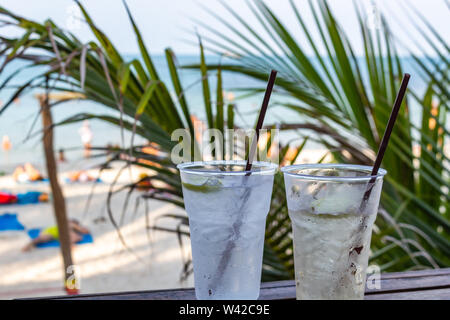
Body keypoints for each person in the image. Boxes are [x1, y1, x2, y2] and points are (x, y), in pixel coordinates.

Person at [22, 219, 90, 252]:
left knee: (72, 235)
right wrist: (82, 229)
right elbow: (83, 231)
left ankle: (31, 243)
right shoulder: (71, 224)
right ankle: (29, 244)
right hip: (52, 233)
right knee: (75, 236)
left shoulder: (67, 225)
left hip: (51, 232)